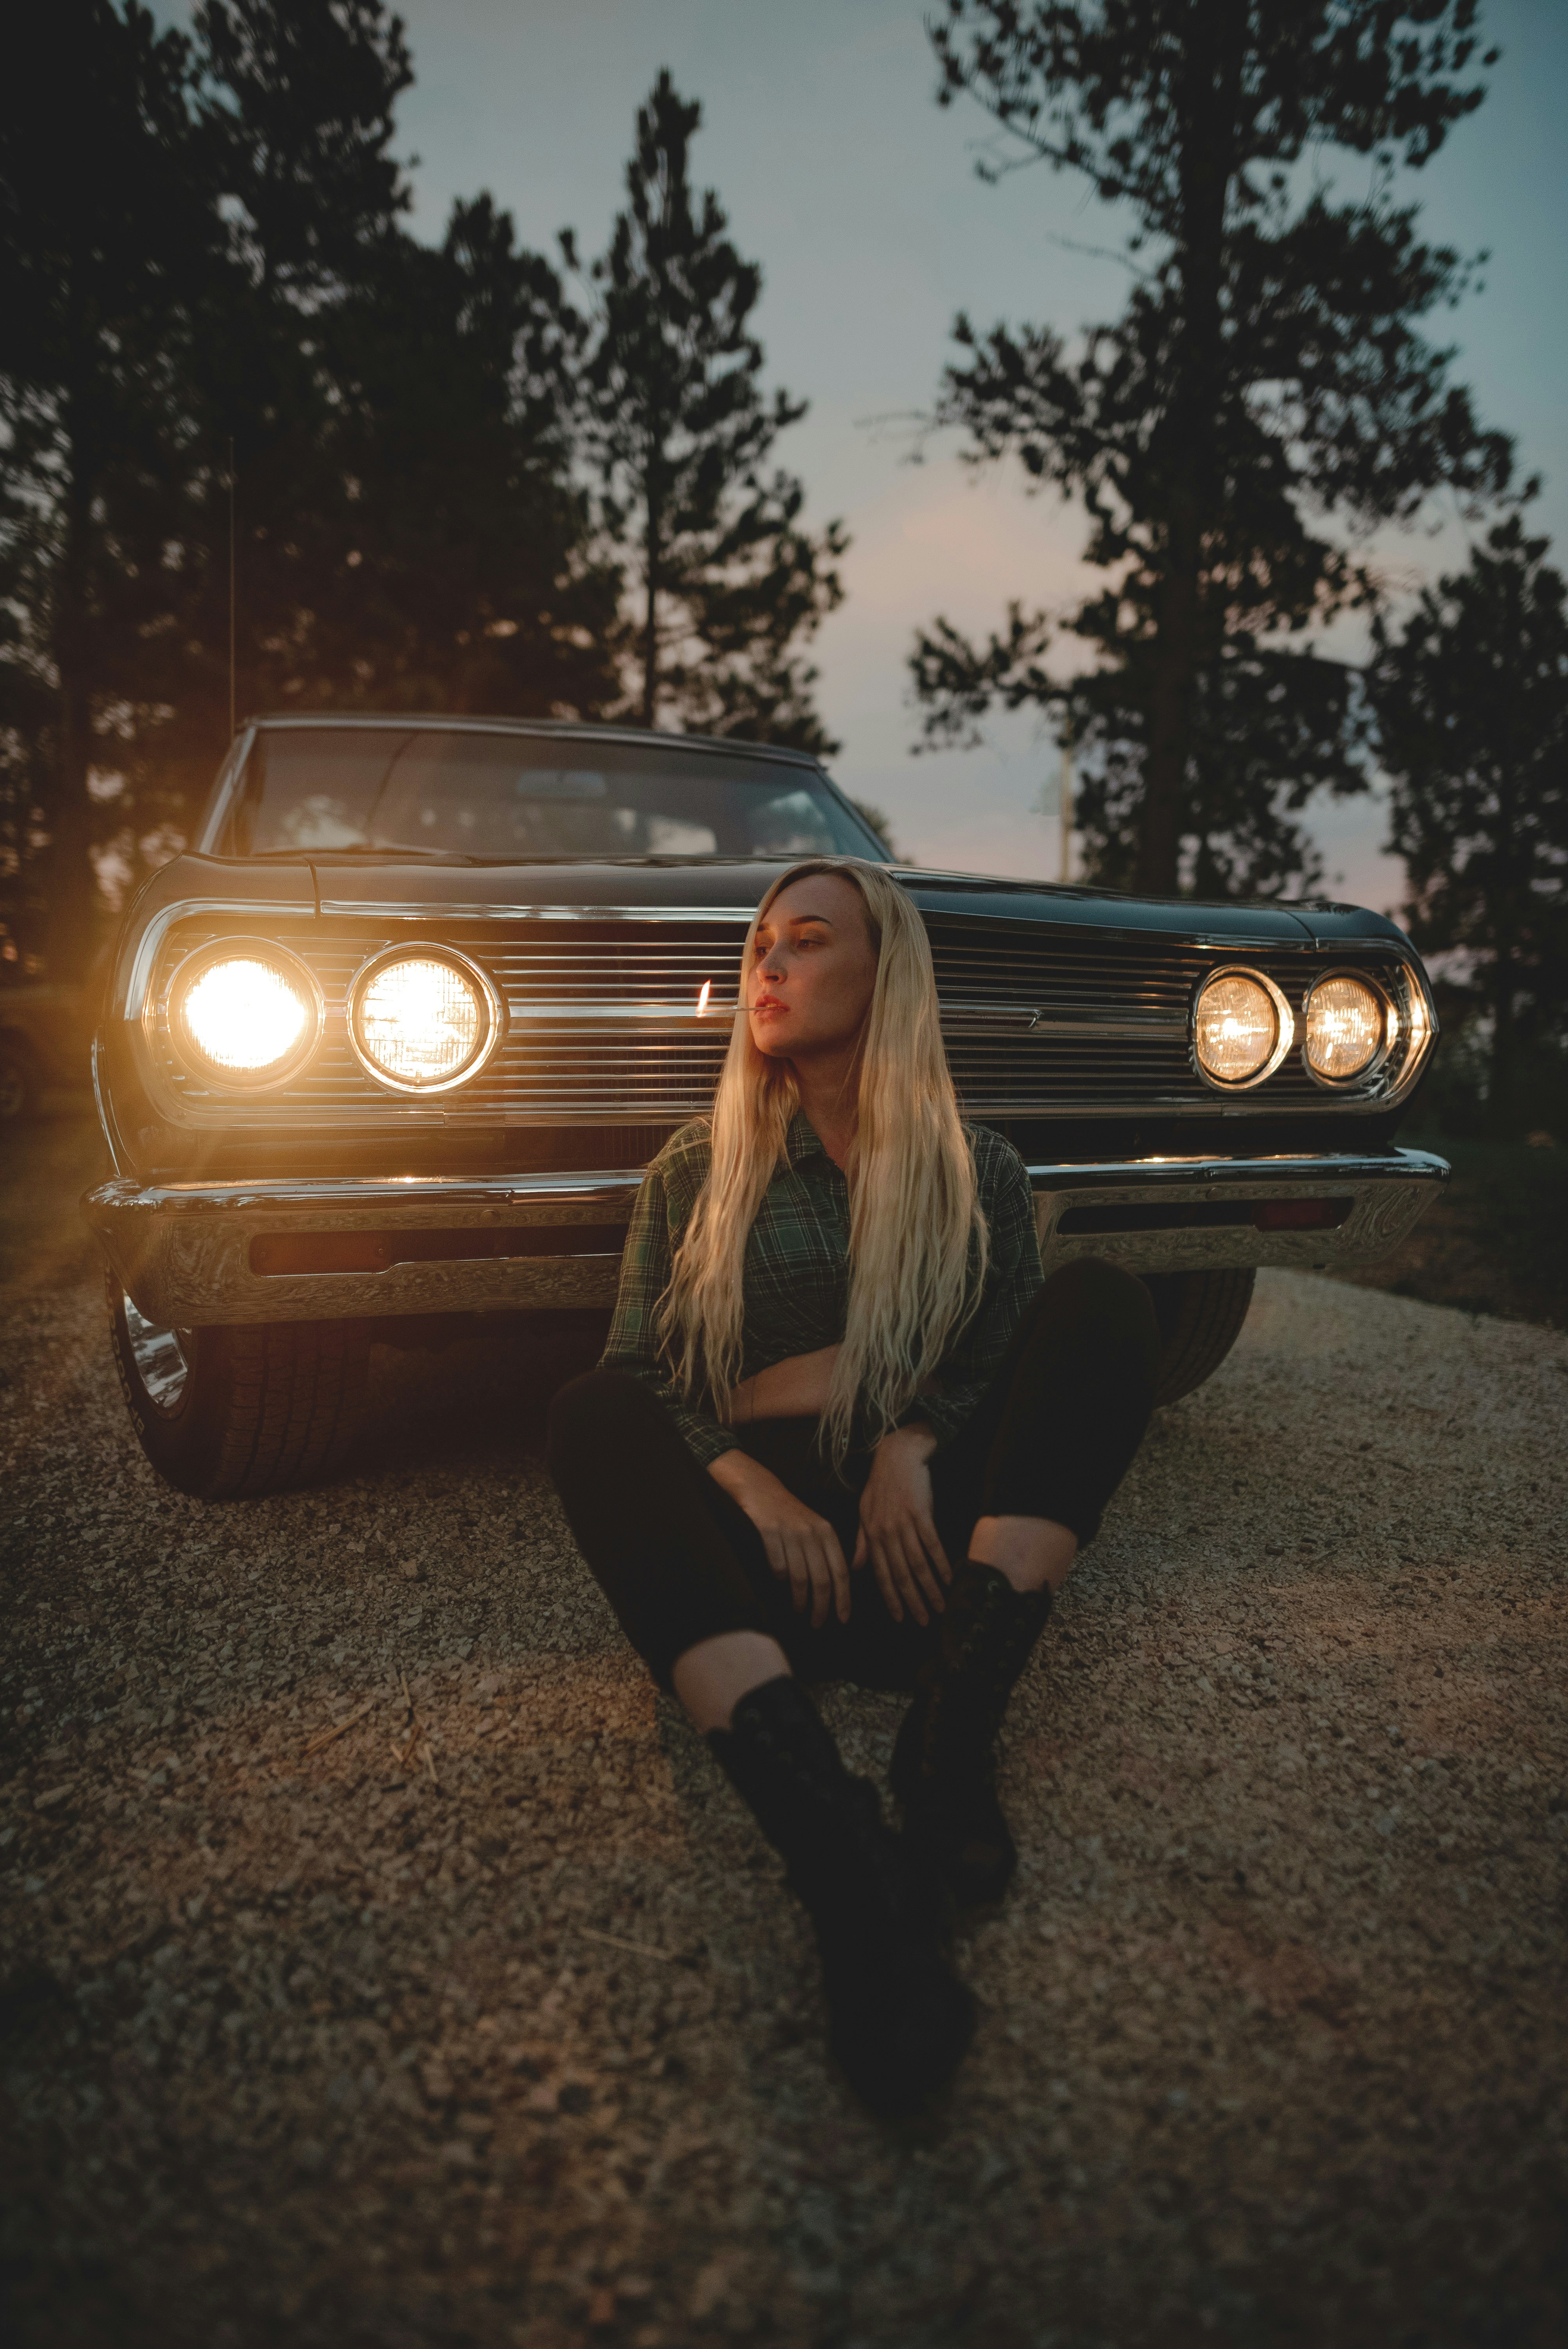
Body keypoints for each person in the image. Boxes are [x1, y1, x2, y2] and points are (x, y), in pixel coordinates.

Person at [548, 858, 1159, 2114]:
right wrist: (756, 1479)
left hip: (932, 1558)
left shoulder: (975, 1165)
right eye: (762, 944)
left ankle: (947, 1746)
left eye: (808, 941)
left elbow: (998, 1347)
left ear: (888, 971)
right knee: (588, 1415)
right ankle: (848, 1873)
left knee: (1101, 1305)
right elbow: (639, 1375)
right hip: (764, 1579)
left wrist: (909, 1435)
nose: (767, 965)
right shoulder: (693, 1171)